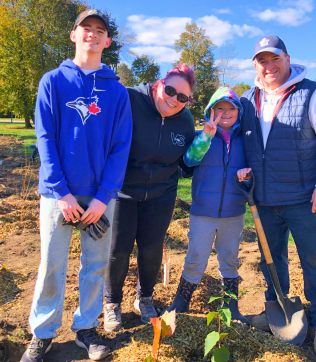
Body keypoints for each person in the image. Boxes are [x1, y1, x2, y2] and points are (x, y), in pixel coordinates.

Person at [21, 9, 132, 362]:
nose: (93, 35)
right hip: (59, 194)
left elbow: (120, 146)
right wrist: (61, 192)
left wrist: (103, 197)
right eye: (87, 28)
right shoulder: (53, 81)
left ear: (108, 41)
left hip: (99, 197)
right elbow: (45, 139)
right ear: (74, 35)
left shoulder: (117, 92)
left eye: (100, 31)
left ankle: (86, 326)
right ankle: (43, 334)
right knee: (52, 263)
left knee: (96, 263)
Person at [238, 35, 316, 361]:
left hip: (305, 198)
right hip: (264, 200)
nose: (268, 66)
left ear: (287, 58)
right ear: (255, 65)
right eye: (262, 60)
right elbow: (244, 142)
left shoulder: (312, 93)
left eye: (274, 59)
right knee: (271, 259)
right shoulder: (247, 99)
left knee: (314, 259)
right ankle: (277, 310)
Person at [103, 64, 196, 331]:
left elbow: (187, 162)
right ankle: (112, 303)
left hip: (161, 194)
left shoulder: (186, 119)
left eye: (182, 97)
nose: (174, 100)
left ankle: (144, 298)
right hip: (122, 191)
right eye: (170, 90)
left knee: (151, 248)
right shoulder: (130, 100)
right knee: (119, 249)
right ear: (159, 84)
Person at [166, 87, 248, 323]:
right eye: (219, 108)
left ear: (238, 112)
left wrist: (248, 175)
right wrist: (207, 136)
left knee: (230, 257)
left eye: (231, 108)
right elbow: (189, 161)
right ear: (210, 112)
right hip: (203, 211)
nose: (225, 113)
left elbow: (253, 167)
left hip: (234, 211)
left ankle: (231, 304)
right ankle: (181, 301)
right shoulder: (203, 135)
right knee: (196, 256)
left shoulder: (245, 139)